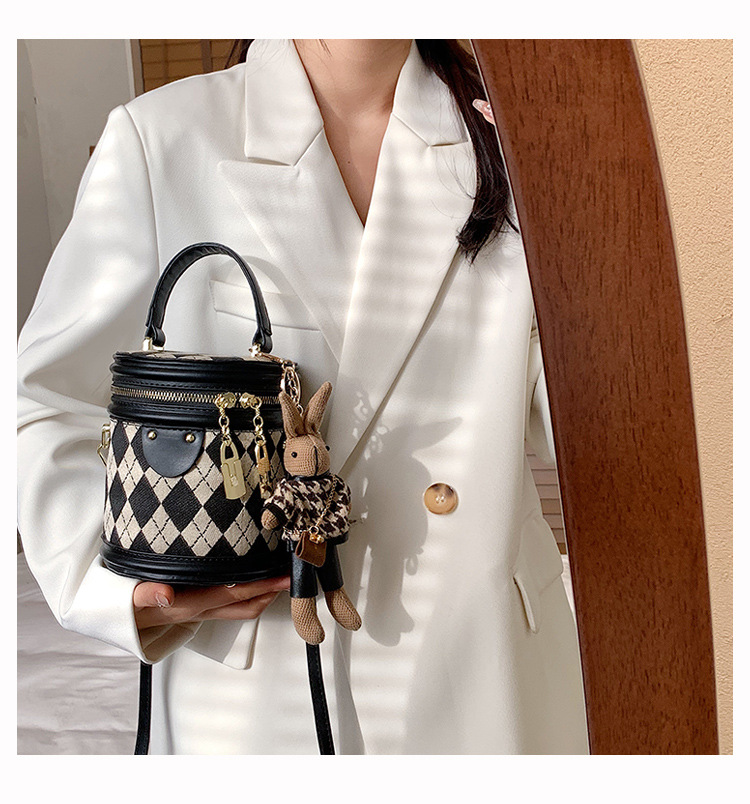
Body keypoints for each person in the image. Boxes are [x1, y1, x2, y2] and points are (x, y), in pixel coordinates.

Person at [17, 39, 589, 754]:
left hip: (488, 667)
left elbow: (592, 422)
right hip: (258, 674)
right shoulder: (162, 138)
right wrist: (110, 584)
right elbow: (46, 398)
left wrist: (576, 194)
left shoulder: (513, 137)